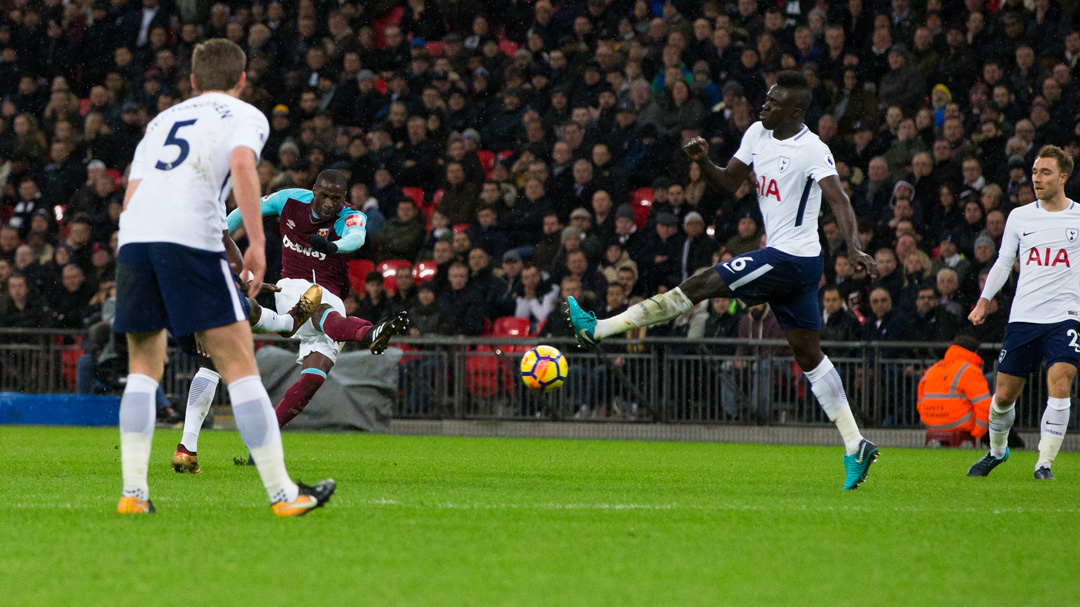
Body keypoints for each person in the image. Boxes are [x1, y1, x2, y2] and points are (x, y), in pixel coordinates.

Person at [567, 72, 880, 489]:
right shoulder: (756, 133)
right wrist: (702, 162)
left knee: (698, 286)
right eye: (765, 100)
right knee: (808, 356)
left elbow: (839, 199)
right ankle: (855, 444)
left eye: (773, 102)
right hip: (796, 264)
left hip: (791, 259)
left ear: (795, 111)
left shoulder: (811, 149)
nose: (763, 106)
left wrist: (854, 248)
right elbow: (729, 181)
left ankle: (598, 328)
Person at [112, 39, 333, 516]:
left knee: (142, 368)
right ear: (241, 80)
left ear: (192, 81)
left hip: (134, 239)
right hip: (190, 237)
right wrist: (256, 241)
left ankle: (133, 495)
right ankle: (283, 494)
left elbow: (132, 193)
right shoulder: (244, 115)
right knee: (237, 363)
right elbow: (241, 166)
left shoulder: (160, 121)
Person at [180, 171, 410, 465]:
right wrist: (221, 235)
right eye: (324, 195)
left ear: (344, 198)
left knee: (311, 382)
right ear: (314, 190)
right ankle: (367, 333)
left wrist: (333, 246)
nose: (329, 203)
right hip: (292, 288)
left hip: (331, 291)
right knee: (324, 314)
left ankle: (261, 447)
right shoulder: (289, 199)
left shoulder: (349, 217)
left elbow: (357, 237)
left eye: (336, 199)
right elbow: (248, 210)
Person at [968, 145, 1080, 480]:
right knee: (1003, 396)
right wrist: (984, 300)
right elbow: (1004, 261)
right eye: (1034, 173)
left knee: (1060, 383)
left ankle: (1044, 463)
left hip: (1065, 316)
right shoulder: (1020, 216)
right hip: (1024, 317)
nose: (1037, 179)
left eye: (1045, 173)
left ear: (1063, 176)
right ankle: (997, 452)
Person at [917, 335, 991, 445]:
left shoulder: (933, 368)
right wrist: (978, 432)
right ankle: (1013, 448)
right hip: (959, 423)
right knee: (999, 418)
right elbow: (984, 405)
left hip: (931, 422)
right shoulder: (969, 370)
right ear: (974, 352)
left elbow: (919, 402)